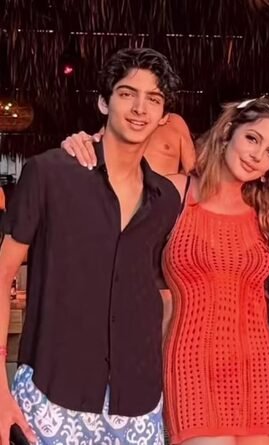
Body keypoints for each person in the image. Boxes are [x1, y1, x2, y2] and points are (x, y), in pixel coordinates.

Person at [62, 90, 269, 444]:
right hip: (191, 362)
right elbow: (105, 203)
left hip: (259, 365)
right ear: (227, 132)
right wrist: (83, 148)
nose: (257, 156)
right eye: (252, 139)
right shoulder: (175, 192)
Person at [0, 47, 182, 445]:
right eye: (126, 93)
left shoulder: (166, 198)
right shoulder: (49, 173)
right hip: (52, 394)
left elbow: (159, 293)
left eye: (153, 99)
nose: (139, 108)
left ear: (164, 116)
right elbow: (2, 276)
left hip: (138, 402)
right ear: (103, 102)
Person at [65, 112, 196, 175]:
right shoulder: (118, 123)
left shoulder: (175, 122)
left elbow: (192, 172)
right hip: (126, 207)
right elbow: (92, 155)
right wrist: (76, 145)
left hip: (167, 208)